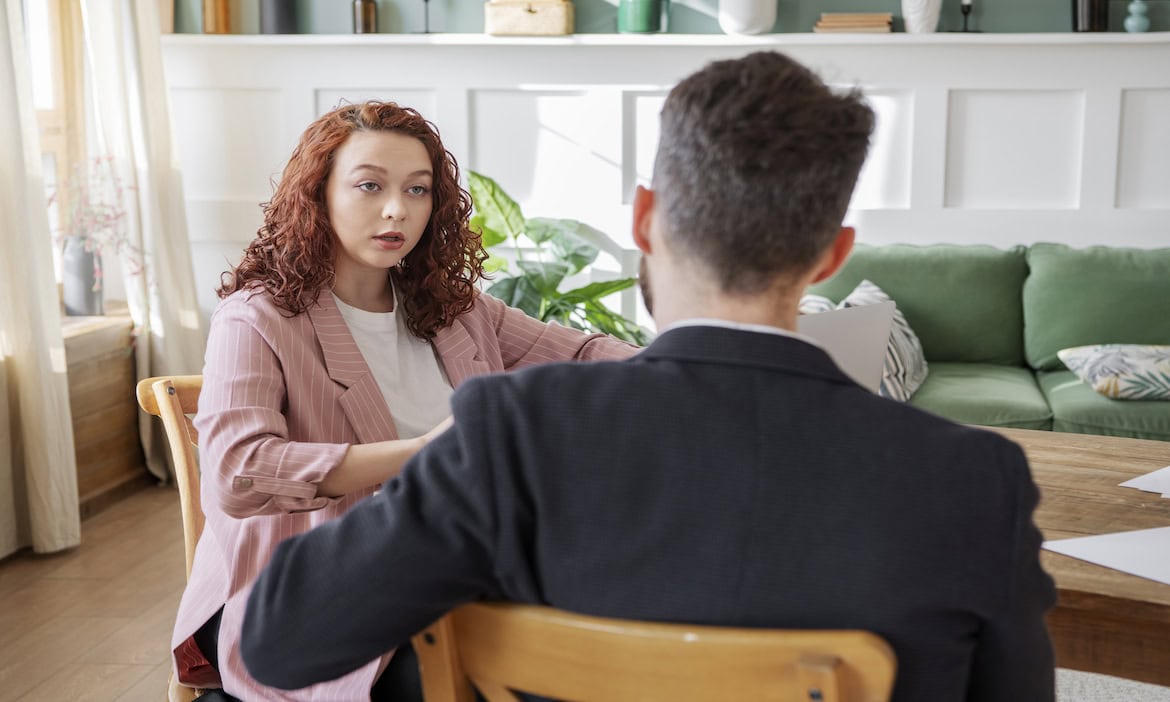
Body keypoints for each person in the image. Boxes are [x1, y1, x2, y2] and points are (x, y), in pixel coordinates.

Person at [240, 53, 1056, 701]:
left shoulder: (511, 435)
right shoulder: (977, 479)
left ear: (642, 218)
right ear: (832, 254)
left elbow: (281, 640)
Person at [171, 101, 638, 701]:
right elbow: (240, 473)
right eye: (370, 185)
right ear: (318, 193)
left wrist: (689, 370)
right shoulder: (257, 318)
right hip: (302, 604)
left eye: (418, 190)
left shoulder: (455, 311)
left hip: (449, 580)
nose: (398, 210)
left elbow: (583, 354)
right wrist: (425, 452)